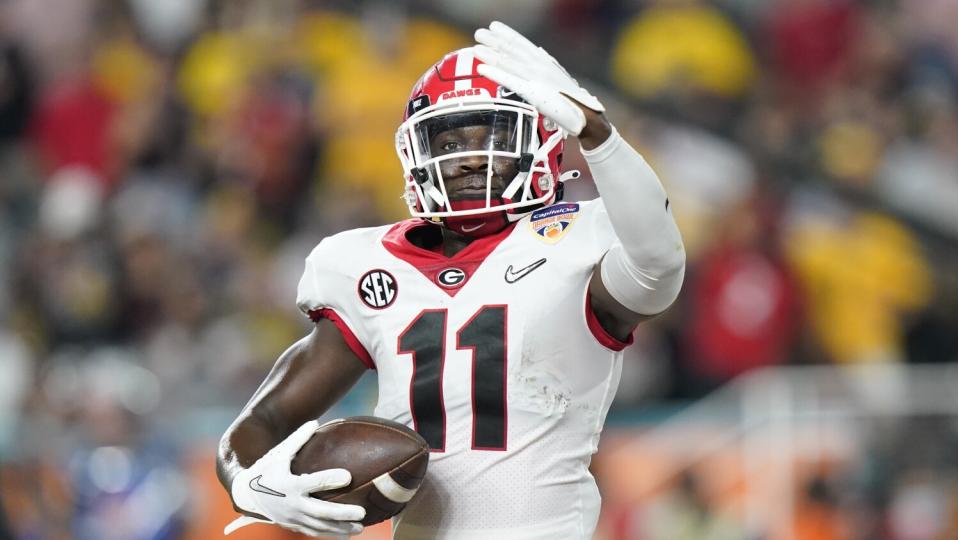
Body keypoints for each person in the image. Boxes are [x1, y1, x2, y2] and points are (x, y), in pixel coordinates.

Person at [216, 21, 686, 540]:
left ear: (543, 139)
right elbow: (263, 421)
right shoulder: (362, 264)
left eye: (491, 135)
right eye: (448, 139)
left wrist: (599, 135)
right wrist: (250, 484)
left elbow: (658, 266)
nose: (465, 158)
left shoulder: (578, 238)